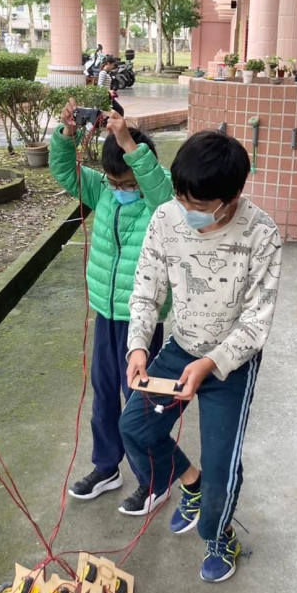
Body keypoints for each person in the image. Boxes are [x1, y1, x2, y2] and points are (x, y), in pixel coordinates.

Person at [119, 131, 282, 583]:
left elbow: (257, 321)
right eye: (182, 199)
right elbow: (146, 290)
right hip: (180, 347)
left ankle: (217, 533)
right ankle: (187, 482)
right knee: (134, 427)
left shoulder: (261, 233)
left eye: (200, 205)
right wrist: (138, 345)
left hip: (231, 363)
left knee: (222, 462)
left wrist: (212, 363)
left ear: (232, 198)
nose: (187, 212)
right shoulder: (167, 219)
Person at [49, 98, 173, 512]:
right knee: (103, 392)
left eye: (128, 183)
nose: (120, 191)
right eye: (114, 183)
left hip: (142, 319)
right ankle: (107, 466)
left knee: (139, 399)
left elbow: (158, 187)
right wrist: (67, 133)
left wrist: (127, 141)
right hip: (106, 312)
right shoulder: (102, 190)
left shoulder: (160, 199)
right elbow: (64, 170)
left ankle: (154, 478)